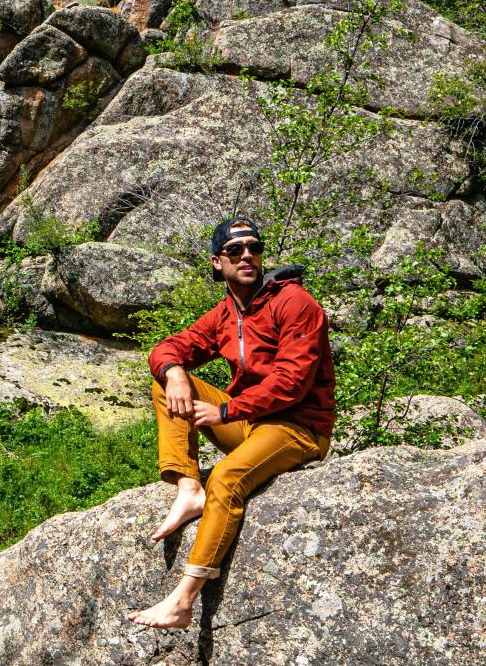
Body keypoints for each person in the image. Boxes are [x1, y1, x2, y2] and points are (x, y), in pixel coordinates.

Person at [125, 217, 336, 629]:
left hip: (298, 427)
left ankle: (183, 601)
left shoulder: (295, 303)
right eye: (235, 250)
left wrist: (224, 411)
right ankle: (188, 488)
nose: (247, 256)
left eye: (254, 248)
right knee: (165, 383)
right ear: (216, 262)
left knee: (225, 478)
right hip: (253, 423)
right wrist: (174, 372)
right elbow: (170, 347)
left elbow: (291, 383)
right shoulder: (226, 313)